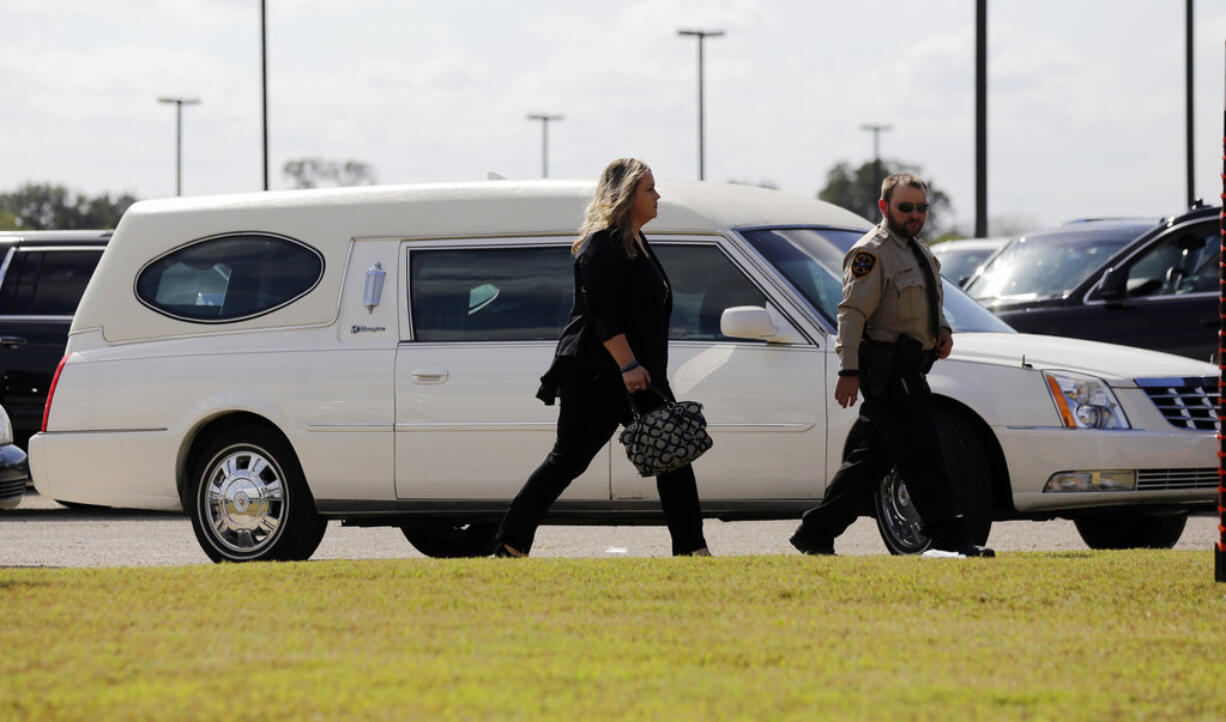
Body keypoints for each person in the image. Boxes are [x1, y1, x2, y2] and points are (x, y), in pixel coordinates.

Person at [492, 158, 710, 558]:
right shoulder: (601, 245)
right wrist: (627, 364)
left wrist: (638, 368)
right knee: (568, 461)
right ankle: (510, 542)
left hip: (637, 373)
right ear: (627, 196)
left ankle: (692, 550)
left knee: (672, 454)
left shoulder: (638, 242)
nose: (658, 195)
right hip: (597, 374)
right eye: (649, 189)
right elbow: (601, 313)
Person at [789, 173, 995, 558]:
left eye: (921, 208)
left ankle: (816, 532)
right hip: (888, 370)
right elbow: (850, 314)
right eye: (906, 208)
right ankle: (949, 539)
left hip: (911, 367)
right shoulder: (873, 253)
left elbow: (929, 303)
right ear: (884, 207)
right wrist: (848, 371)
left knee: (872, 460)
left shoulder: (916, 250)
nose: (915, 215)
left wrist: (943, 331)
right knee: (923, 454)